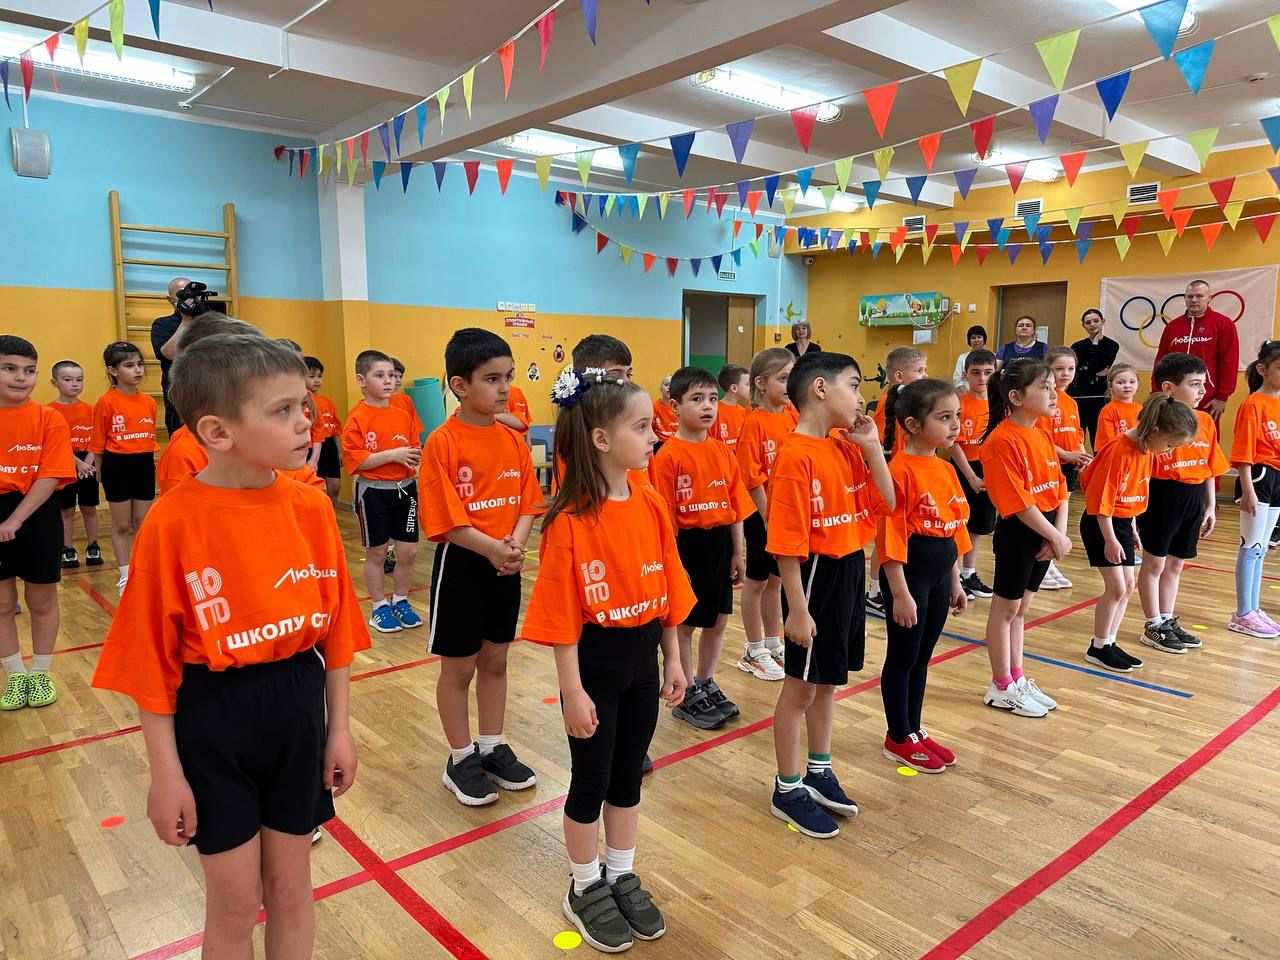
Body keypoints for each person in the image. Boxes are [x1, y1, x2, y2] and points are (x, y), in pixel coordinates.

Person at [91, 333, 370, 958]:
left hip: (298, 707)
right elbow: (150, 665)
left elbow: (337, 634)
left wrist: (339, 729)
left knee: (292, 888)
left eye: (304, 405)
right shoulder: (172, 521)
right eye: (282, 410)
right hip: (213, 717)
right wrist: (166, 774)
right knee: (237, 903)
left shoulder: (311, 508)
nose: (305, 421)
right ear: (218, 432)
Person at [521, 369, 691, 954]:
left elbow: (668, 587)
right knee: (591, 781)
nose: (654, 436)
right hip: (595, 665)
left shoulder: (650, 503)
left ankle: (620, 872)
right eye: (641, 427)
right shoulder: (569, 522)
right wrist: (572, 690)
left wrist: (674, 659)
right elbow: (562, 616)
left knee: (627, 777)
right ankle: (584, 883)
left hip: (644, 661)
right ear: (600, 438)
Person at [766, 352, 893, 839]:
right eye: (854, 385)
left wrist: (873, 448)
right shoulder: (795, 456)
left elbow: (888, 502)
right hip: (814, 577)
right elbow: (785, 543)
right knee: (799, 688)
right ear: (821, 389)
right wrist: (797, 610)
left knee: (827, 682)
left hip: (848, 569)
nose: (861, 398)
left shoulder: (844, 446)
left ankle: (819, 770)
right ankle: (787, 787)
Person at [419, 328, 542, 807]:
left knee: (496, 660)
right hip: (463, 567)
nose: (505, 387)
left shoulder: (512, 439)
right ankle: (460, 757)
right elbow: (444, 519)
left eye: (508, 376)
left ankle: (491, 746)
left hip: (504, 566)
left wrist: (515, 546)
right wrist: (492, 549)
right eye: (492, 379)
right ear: (460, 385)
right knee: (460, 668)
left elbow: (529, 501)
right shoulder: (443, 443)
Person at [650, 366, 753, 730]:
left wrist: (738, 552)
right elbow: (665, 519)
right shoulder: (667, 456)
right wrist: (674, 563)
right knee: (686, 623)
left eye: (712, 398)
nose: (708, 406)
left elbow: (736, 508)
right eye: (697, 399)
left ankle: (706, 681)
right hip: (686, 546)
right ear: (675, 407)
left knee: (719, 619)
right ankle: (686, 690)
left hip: (720, 542)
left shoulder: (723, 452)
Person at [878, 379, 969, 773]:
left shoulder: (945, 468)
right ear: (913, 424)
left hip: (939, 574)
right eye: (944, 417)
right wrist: (900, 593)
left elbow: (953, 527)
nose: (955, 425)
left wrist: (956, 581)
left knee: (922, 657)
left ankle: (914, 730)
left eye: (957, 416)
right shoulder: (898, 471)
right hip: (909, 576)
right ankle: (897, 736)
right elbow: (891, 537)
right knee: (903, 657)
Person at [1078, 394, 1196, 673]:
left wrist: (1131, 526)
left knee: (1128, 585)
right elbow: (1101, 501)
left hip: (1121, 524)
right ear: (1154, 431)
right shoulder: (1118, 451)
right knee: (1117, 588)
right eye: (1170, 445)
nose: (1169, 452)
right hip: (1102, 524)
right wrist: (1110, 539)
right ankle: (1098, 647)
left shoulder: (1146, 450)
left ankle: (1109, 641)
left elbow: (1132, 492)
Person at [979, 359, 1069, 719]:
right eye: (1044, 387)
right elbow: (1017, 502)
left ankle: (1017, 678)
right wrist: (1052, 534)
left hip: (1045, 532)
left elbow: (1060, 488)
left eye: (1053, 386)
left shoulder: (1042, 433)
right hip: (1020, 533)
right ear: (1015, 397)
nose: (1054, 393)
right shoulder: (1001, 442)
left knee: (1021, 610)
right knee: (1005, 610)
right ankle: (1001, 686)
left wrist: (1057, 533)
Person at [156, 317, 326, 497]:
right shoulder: (185, 451)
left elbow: (309, 487)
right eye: (284, 409)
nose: (306, 423)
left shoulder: (275, 450)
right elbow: (184, 506)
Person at [0, 336, 75, 711]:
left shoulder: (49, 418)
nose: (21, 377)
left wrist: (15, 519)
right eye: (9, 368)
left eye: (29, 370)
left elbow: (50, 475)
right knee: (2, 602)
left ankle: (41, 674)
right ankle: (15, 676)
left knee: (41, 600)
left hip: (37, 511)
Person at [1137, 352, 1229, 654]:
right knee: (1155, 562)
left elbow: (1210, 466)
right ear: (1168, 387)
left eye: (1203, 383)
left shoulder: (1205, 420)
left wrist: (1210, 505)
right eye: (1194, 384)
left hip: (1194, 497)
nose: (1203, 390)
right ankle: (1153, 624)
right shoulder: (1154, 420)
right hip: (1162, 495)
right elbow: (1142, 469)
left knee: (1176, 563)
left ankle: (1167, 618)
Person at [343, 350, 424, 634]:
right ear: (361, 380)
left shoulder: (403, 414)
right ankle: (379, 606)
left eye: (391, 375)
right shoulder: (357, 418)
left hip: (406, 490)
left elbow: (414, 449)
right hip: (374, 493)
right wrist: (392, 455)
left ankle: (400, 600)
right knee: (377, 552)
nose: (388, 380)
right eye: (380, 375)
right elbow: (357, 461)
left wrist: (412, 460)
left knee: (408, 551)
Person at [734, 348, 796, 683]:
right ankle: (753, 649)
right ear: (761, 383)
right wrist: (769, 517)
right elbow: (751, 477)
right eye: (783, 378)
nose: (790, 384)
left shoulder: (791, 415)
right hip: (763, 516)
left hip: (787, 514)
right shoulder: (754, 422)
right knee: (756, 582)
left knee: (777, 581)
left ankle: (773, 643)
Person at [90, 341, 157, 596]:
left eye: (139, 364)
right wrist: (100, 471)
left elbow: (149, 436)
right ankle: (125, 574)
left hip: (143, 464)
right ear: (113, 371)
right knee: (121, 524)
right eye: (129, 365)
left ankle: (145, 570)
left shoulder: (149, 402)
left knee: (142, 522)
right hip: (116, 466)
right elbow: (98, 441)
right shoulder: (106, 402)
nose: (137, 370)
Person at [868, 346, 928, 614]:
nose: (925, 375)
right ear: (900, 376)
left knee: (899, 536)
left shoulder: (908, 401)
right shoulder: (891, 403)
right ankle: (874, 591)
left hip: (905, 478)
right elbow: (883, 445)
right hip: (890, 479)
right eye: (920, 370)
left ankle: (890, 587)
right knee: (885, 538)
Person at [1227, 340, 1280, 638]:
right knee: (1251, 546)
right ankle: (1242, 613)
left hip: (1278, 479)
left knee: (1262, 549)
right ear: (1263, 369)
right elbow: (1243, 451)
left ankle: (1254, 608)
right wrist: (1247, 489)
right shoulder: (1252, 404)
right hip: (1259, 477)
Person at [1154, 279, 1240, 420]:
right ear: (1185, 298)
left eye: (1199, 296)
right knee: (1173, 432)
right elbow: (1160, 361)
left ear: (1209, 298)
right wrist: (1156, 392)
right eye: (1190, 296)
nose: (1194, 300)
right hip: (1173, 396)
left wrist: (1222, 396)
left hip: (1206, 397)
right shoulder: (1172, 326)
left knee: (1204, 433)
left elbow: (1229, 361)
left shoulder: (1223, 324)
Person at [49, 360, 103, 569]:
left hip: (88, 464)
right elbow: (56, 444)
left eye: (79, 380)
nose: (74, 384)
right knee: (67, 510)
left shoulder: (91, 410)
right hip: (65, 462)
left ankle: (93, 546)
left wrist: (88, 462)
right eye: (68, 379)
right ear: (54, 382)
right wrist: (78, 463)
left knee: (89, 507)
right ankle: (67, 549)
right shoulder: (50, 411)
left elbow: (97, 439)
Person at [954, 349, 998, 600]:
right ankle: (954, 576)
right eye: (976, 373)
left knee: (980, 525)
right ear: (965, 374)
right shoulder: (960, 403)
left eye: (988, 372)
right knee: (959, 522)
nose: (982, 378)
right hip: (965, 468)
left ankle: (969, 573)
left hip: (989, 468)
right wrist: (970, 476)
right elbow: (954, 443)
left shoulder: (998, 404)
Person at [150, 276, 196, 436]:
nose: (189, 299)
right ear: (170, 300)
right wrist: (186, 320)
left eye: (192, 294)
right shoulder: (162, 324)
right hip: (179, 396)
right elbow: (169, 353)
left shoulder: (210, 321)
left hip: (210, 392)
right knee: (181, 441)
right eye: (182, 295)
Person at [1068, 309, 1119, 449]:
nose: (1092, 325)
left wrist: (1095, 347)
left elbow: (1096, 366)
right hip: (1077, 395)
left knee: (1098, 438)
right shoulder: (1077, 346)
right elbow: (1079, 371)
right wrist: (1092, 369)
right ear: (1083, 325)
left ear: (1102, 321)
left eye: (1096, 321)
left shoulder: (1112, 345)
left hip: (1098, 396)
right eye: (1088, 322)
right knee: (1076, 438)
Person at [304, 356, 343, 502]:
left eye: (320, 376)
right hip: (311, 446)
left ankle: (332, 511)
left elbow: (336, 429)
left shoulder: (328, 402)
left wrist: (339, 451)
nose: (317, 380)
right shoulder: (303, 401)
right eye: (312, 376)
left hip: (329, 445)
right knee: (315, 486)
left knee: (335, 486)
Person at [1094, 363, 1141, 451]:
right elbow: (1106, 445)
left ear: (1137, 384)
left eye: (1132, 382)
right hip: (1117, 456)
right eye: (1120, 382)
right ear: (1110, 386)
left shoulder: (1142, 409)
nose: (1127, 386)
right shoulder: (1108, 410)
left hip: (1139, 456)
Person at [711, 363, 750, 449]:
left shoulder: (744, 412)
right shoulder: (714, 411)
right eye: (747, 384)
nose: (750, 388)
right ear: (734, 388)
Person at [651, 375, 677, 446]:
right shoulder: (654, 407)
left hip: (676, 442)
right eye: (666, 384)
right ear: (661, 388)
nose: (669, 387)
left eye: (672, 385)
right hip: (659, 442)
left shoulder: (679, 407)